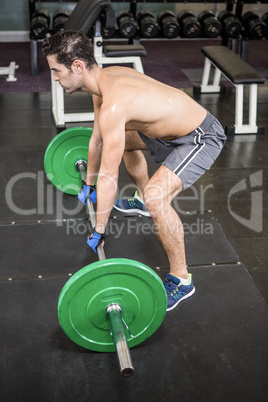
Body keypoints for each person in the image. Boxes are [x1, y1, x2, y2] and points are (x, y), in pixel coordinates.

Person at [42, 30, 226, 311]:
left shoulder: (115, 104)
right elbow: (97, 140)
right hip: (168, 131)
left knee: (156, 198)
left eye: (56, 70)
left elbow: (110, 174)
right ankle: (139, 197)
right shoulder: (102, 82)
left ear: (77, 66)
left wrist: (100, 228)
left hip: (200, 136)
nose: (55, 77)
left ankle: (182, 279)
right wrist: (87, 184)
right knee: (124, 138)